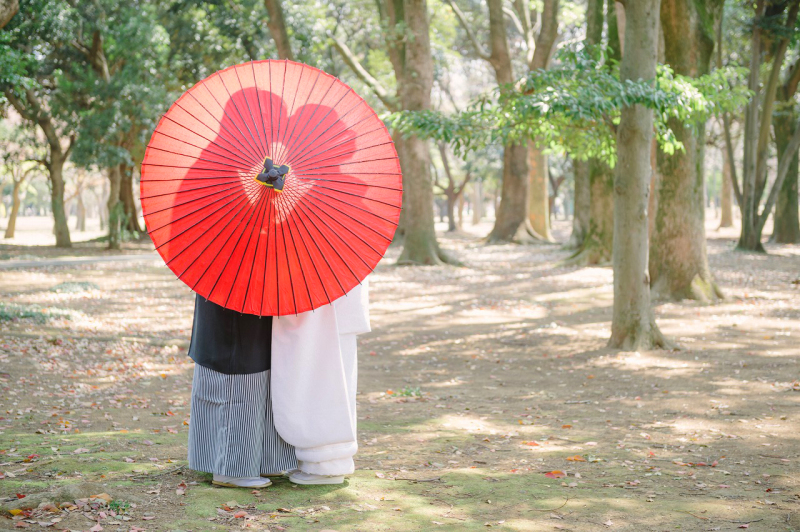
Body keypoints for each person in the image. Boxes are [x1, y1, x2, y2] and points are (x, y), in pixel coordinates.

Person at [186, 281, 369, 488]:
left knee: (266, 364)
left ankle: (264, 460)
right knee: (238, 363)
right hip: (234, 283)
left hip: (270, 285)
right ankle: (231, 467)